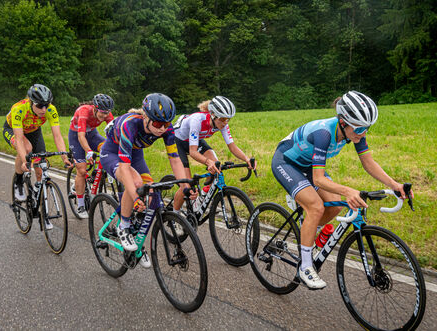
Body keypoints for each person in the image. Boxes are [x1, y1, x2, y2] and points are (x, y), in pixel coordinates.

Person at [271, 90, 413, 289]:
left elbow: (368, 163)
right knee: (316, 207)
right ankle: (305, 266)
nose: (363, 134)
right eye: (359, 129)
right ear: (343, 122)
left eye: (367, 128)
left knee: (335, 206)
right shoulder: (324, 134)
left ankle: (308, 231)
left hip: (308, 166)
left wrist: (394, 185)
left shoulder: (353, 131)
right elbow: (319, 179)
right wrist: (349, 191)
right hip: (286, 163)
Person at [100, 93, 195, 268]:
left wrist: (185, 186)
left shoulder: (167, 129)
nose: (162, 129)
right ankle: (124, 226)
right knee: (136, 184)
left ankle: (137, 240)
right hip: (112, 153)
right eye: (158, 124)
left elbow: (175, 159)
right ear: (145, 117)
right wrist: (135, 197)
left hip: (135, 154)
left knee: (152, 194)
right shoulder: (129, 125)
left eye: (166, 124)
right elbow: (124, 167)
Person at [3, 84, 72, 229]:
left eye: (46, 105)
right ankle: (19, 181)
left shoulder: (50, 110)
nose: (44, 110)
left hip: (34, 131)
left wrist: (64, 157)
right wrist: (24, 161)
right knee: (27, 150)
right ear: (31, 102)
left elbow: (57, 135)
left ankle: (43, 211)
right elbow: (20, 139)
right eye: (40, 106)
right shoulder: (19, 109)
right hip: (13, 130)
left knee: (41, 168)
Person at [171, 96, 256, 213]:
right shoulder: (197, 121)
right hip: (177, 141)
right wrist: (207, 161)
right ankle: (174, 217)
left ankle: (202, 197)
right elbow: (193, 152)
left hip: (194, 140)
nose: (225, 122)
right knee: (186, 184)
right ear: (213, 115)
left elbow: (232, 147)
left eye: (228, 119)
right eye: (223, 118)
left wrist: (246, 159)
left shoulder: (222, 124)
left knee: (216, 165)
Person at [68, 94, 114, 218]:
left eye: (107, 113)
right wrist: (88, 151)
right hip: (76, 136)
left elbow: (114, 133)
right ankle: (81, 205)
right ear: (95, 108)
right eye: (102, 112)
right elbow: (81, 136)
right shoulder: (84, 112)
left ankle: (94, 175)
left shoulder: (108, 115)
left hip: (92, 134)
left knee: (107, 149)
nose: (104, 116)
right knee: (82, 170)